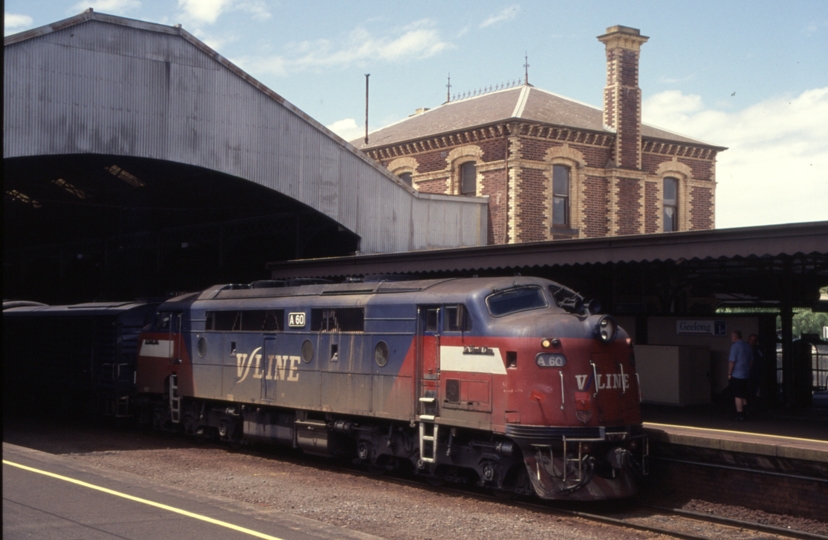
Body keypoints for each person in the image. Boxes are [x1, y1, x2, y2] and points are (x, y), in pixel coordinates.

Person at [727, 330, 753, 421]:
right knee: (743, 394)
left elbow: (732, 361)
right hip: (745, 374)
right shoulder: (748, 346)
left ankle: (739, 414)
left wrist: (729, 373)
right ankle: (746, 411)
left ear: (734, 337)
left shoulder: (735, 347)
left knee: (737, 395)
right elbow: (751, 361)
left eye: (731, 336)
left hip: (737, 374)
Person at [747, 333, 765, 412]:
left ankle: (750, 408)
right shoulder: (743, 347)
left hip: (755, 374)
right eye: (751, 339)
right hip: (745, 374)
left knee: (752, 392)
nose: (752, 342)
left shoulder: (758, 349)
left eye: (754, 340)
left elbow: (762, 360)